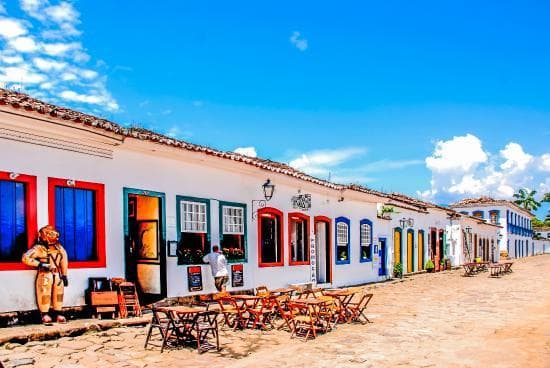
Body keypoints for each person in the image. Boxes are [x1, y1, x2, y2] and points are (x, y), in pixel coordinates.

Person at [22, 225, 69, 324]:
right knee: (44, 293)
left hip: (57, 274)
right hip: (45, 274)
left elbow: (64, 260)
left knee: (59, 294)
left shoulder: (59, 248)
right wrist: (40, 264)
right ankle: (44, 314)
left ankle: (58, 312)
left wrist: (64, 274)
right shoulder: (39, 248)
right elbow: (25, 257)